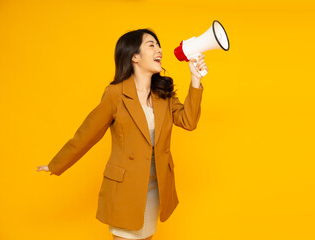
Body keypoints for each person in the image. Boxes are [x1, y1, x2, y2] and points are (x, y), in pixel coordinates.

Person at [36, 28, 207, 240]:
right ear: (134, 56)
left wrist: (195, 79)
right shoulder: (115, 94)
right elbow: (87, 134)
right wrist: (56, 164)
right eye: (151, 45)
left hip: (156, 188)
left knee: (146, 236)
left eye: (158, 45)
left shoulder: (163, 94)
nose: (160, 50)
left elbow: (189, 121)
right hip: (126, 189)